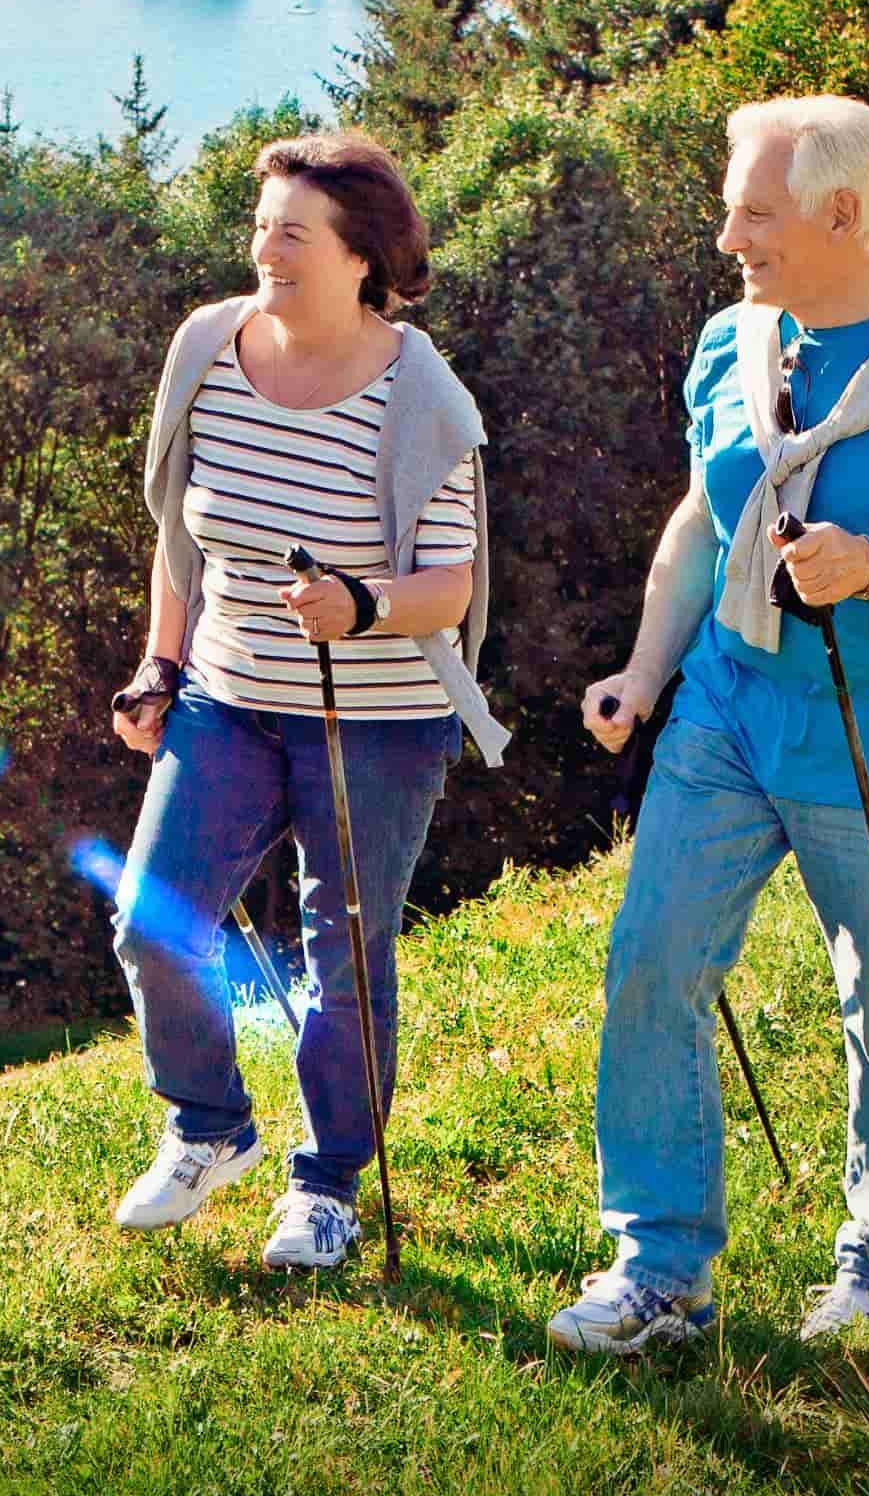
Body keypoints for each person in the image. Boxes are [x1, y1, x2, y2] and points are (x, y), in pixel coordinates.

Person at [554, 95, 869, 1352]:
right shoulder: (736, 343)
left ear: (840, 213)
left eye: (754, 212)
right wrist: (644, 669)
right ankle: (659, 1268)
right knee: (653, 960)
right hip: (728, 704)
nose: (729, 236)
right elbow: (702, 517)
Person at [107, 128, 506, 1270]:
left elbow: (451, 586)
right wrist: (159, 665)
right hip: (225, 698)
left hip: (372, 719)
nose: (265, 250)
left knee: (342, 949)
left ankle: (327, 1183)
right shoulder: (206, 347)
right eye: (260, 228)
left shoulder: (423, 398)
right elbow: (179, 537)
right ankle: (208, 1124)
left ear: (360, 254)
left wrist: (361, 604)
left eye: (292, 232)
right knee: (152, 920)